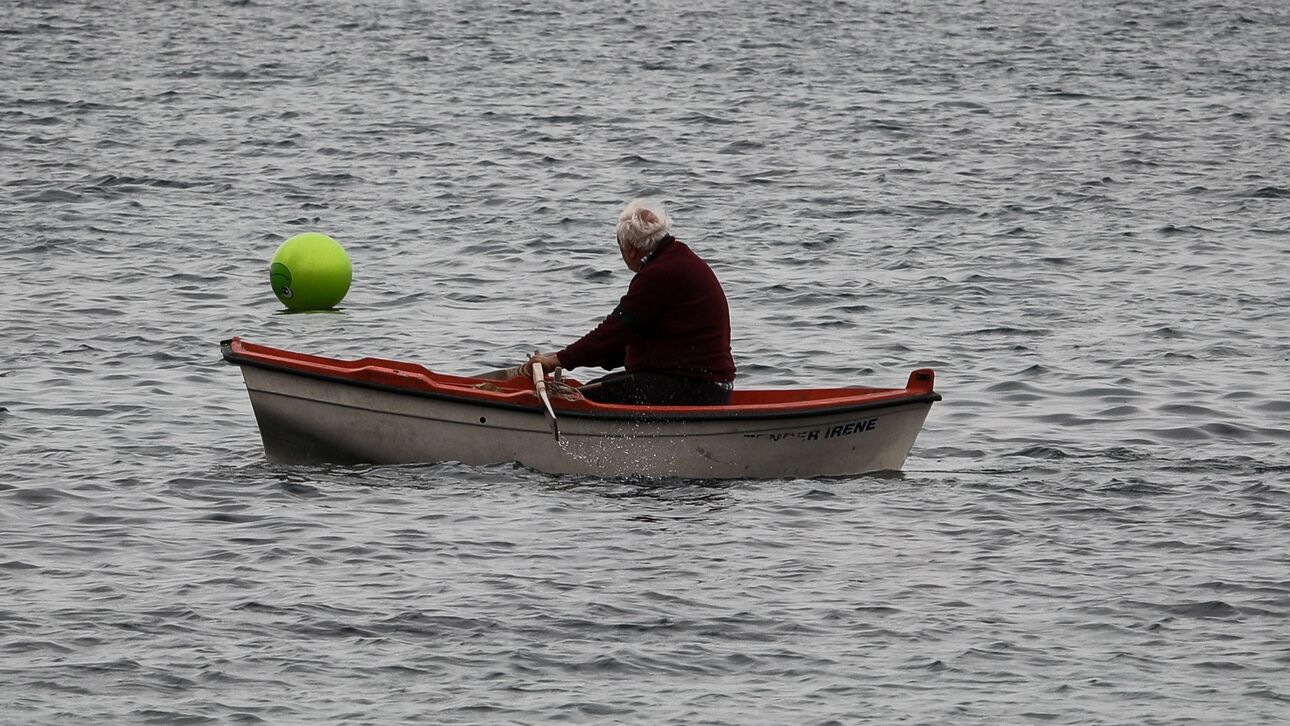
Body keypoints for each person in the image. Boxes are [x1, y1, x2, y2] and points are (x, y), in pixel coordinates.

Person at [524, 199, 735, 406]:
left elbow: (614, 331)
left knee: (581, 400)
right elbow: (622, 342)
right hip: (705, 385)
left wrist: (556, 361)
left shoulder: (660, 274)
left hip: (696, 390)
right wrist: (577, 358)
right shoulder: (676, 259)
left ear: (631, 248)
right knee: (592, 388)